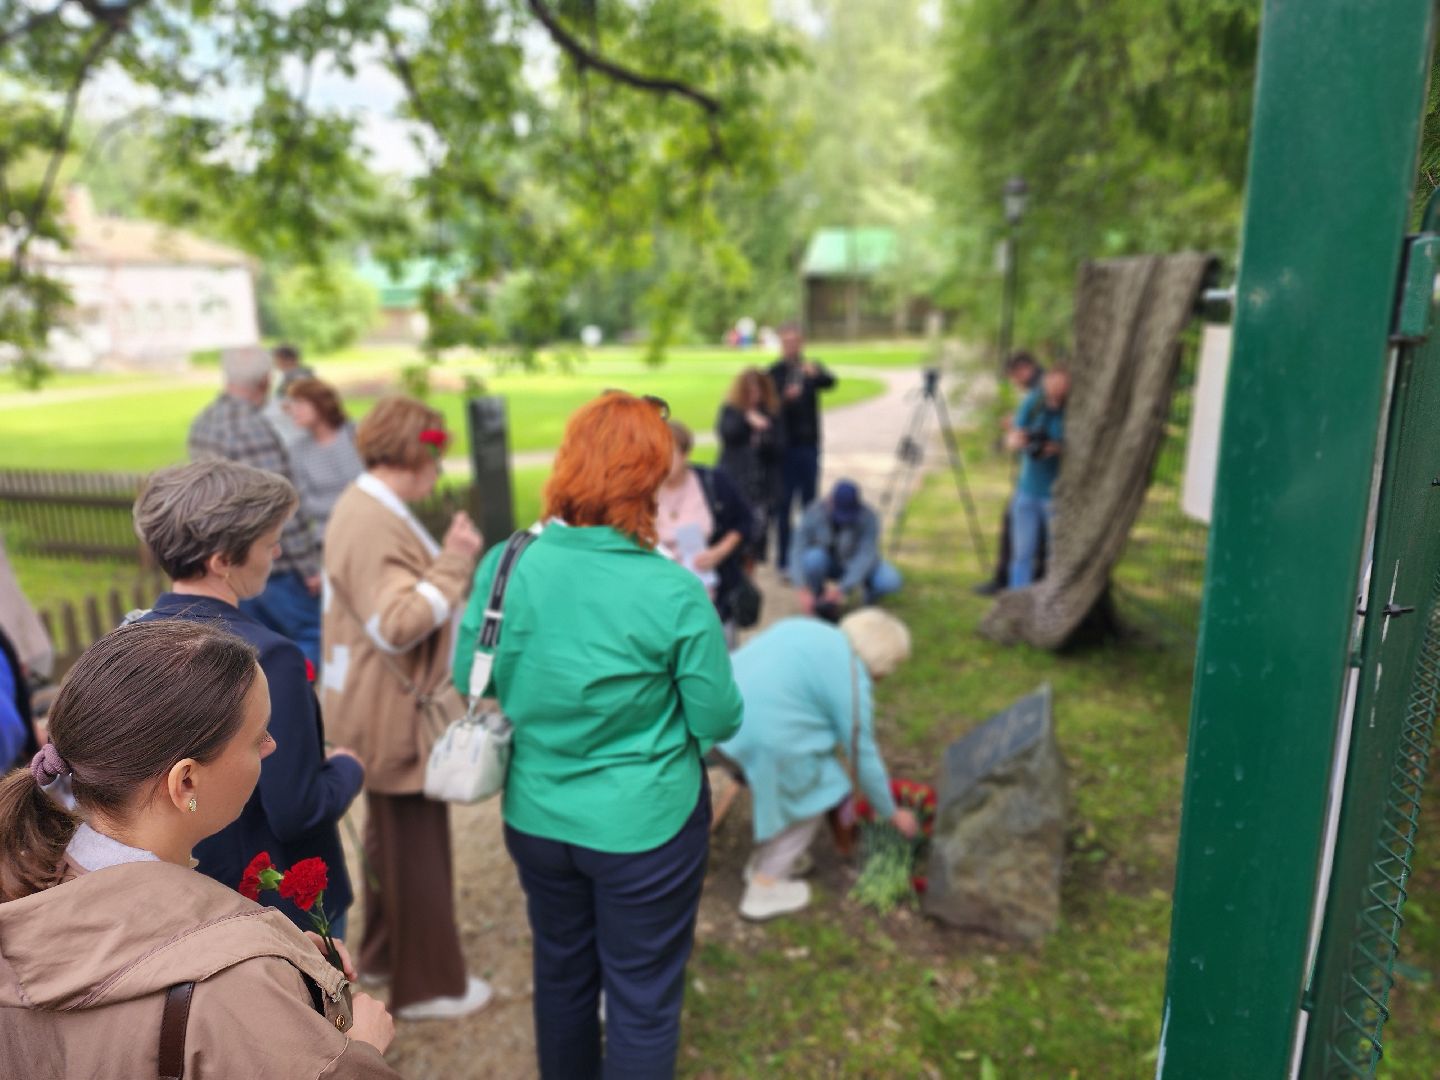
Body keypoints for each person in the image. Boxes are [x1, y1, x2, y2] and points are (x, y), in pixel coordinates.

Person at [454, 392, 743, 1080]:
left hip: (538, 813)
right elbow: (717, 718)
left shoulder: (507, 562)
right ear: (651, 479)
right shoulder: (672, 590)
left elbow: (470, 673)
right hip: (645, 824)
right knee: (642, 1000)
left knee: (562, 976)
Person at [0, 620, 399, 1077]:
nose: (272, 746)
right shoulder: (235, 986)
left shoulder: (27, 879)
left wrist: (276, 966)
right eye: (257, 737)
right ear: (185, 781)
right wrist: (362, 1051)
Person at [132, 459, 366, 937]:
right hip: (278, 908)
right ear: (222, 561)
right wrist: (347, 768)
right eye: (267, 542)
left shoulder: (132, 640)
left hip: (184, 894)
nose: (276, 552)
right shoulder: (268, 658)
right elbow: (296, 809)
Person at [321, 396, 488, 1021]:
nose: (439, 471)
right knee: (417, 845)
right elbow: (396, 625)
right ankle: (429, 988)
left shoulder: (366, 506)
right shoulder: (371, 518)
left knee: (394, 841)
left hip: (375, 704)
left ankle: (386, 955)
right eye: (435, 456)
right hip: (392, 710)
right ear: (415, 453)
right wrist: (456, 561)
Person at [716, 610, 918, 920]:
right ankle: (764, 887)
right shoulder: (853, 681)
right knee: (820, 791)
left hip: (716, 718)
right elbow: (862, 755)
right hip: (762, 739)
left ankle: (767, 858)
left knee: (793, 774)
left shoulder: (803, 628)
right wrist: (891, 812)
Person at [188, 344, 325, 668]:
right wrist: (309, 568)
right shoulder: (252, 431)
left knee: (253, 649)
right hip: (271, 565)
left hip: (227, 565)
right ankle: (292, 698)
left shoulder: (204, 422)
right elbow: (279, 508)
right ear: (265, 381)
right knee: (309, 636)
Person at [658, 420, 754, 641]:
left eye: (669, 453)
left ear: (685, 454)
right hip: (663, 600)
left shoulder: (713, 482)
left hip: (712, 596)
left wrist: (719, 552)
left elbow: (745, 521)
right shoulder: (642, 491)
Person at [975, 350, 1046, 596]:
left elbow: (1036, 434)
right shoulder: (1038, 390)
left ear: (1023, 370)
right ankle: (1019, 580)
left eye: (1014, 377)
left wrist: (1014, 427)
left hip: (1037, 479)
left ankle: (1006, 580)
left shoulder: (1040, 392)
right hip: (1031, 476)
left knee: (1016, 526)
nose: (1015, 383)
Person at [769, 324, 838, 571]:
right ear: (781, 344)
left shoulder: (810, 367)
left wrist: (815, 374)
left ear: (801, 343)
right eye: (787, 342)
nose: (791, 346)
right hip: (785, 448)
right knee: (784, 505)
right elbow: (768, 406)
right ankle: (784, 559)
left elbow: (831, 382)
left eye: (795, 342)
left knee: (810, 503)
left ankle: (809, 557)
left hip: (809, 445)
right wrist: (784, 399)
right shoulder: (774, 372)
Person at [791, 480, 903, 618]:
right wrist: (802, 588)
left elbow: (866, 556)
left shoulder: (869, 517)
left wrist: (843, 588)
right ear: (830, 501)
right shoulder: (812, 512)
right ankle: (817, 599)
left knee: (890, 581)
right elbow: (796, 550)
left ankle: (867, 602)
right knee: (813, 559)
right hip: (828, 562)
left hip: (855, 562)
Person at [1005, 367, 1070, 589]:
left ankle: (1051, 598)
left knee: (1056, 556)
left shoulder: (1073, 411)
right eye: (1050, 384)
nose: (1054, 390)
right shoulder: (1034, 402)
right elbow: (1014, 435)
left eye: (1060, 385)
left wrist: (1057, 449)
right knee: (1022, 554)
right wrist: (1018, 440)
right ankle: (1017, 598)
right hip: (1026, 491)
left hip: (1056, 496)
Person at [284, 377, 365, 538]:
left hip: (367, 524)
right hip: (328, 533)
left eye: (300, 404)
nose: (294, 410)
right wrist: (346, 507)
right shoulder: (297, 449)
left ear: (321, 404)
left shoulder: (356, 435)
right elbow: (303, 501)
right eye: (292, 404)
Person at [715, 366, 781, 562]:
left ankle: (751, 569)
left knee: (756, 535)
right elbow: (727, 434)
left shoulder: (771, 413)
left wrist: (764, 432)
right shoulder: (731, 411)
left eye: (758, 390)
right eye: (749, 391)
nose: (754, 395)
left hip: (760, 484)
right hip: (735, 479)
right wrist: (746, 419)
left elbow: (779, 447)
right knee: (732, 530)